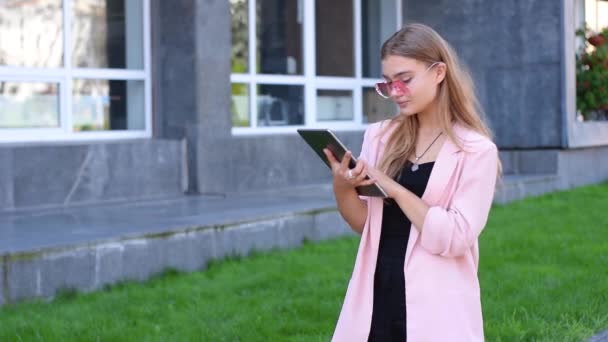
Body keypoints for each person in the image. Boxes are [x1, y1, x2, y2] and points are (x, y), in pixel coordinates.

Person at [323, 23, 501, 341]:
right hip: (376, 295)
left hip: (438, 308)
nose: (395, 93)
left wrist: (392, 187)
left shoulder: (476, 151)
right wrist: (342, 185)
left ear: (439, 72)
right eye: (388, 83)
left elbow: (455, 237)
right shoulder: (379, 137)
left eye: (405, 80)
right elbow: (367, 224)